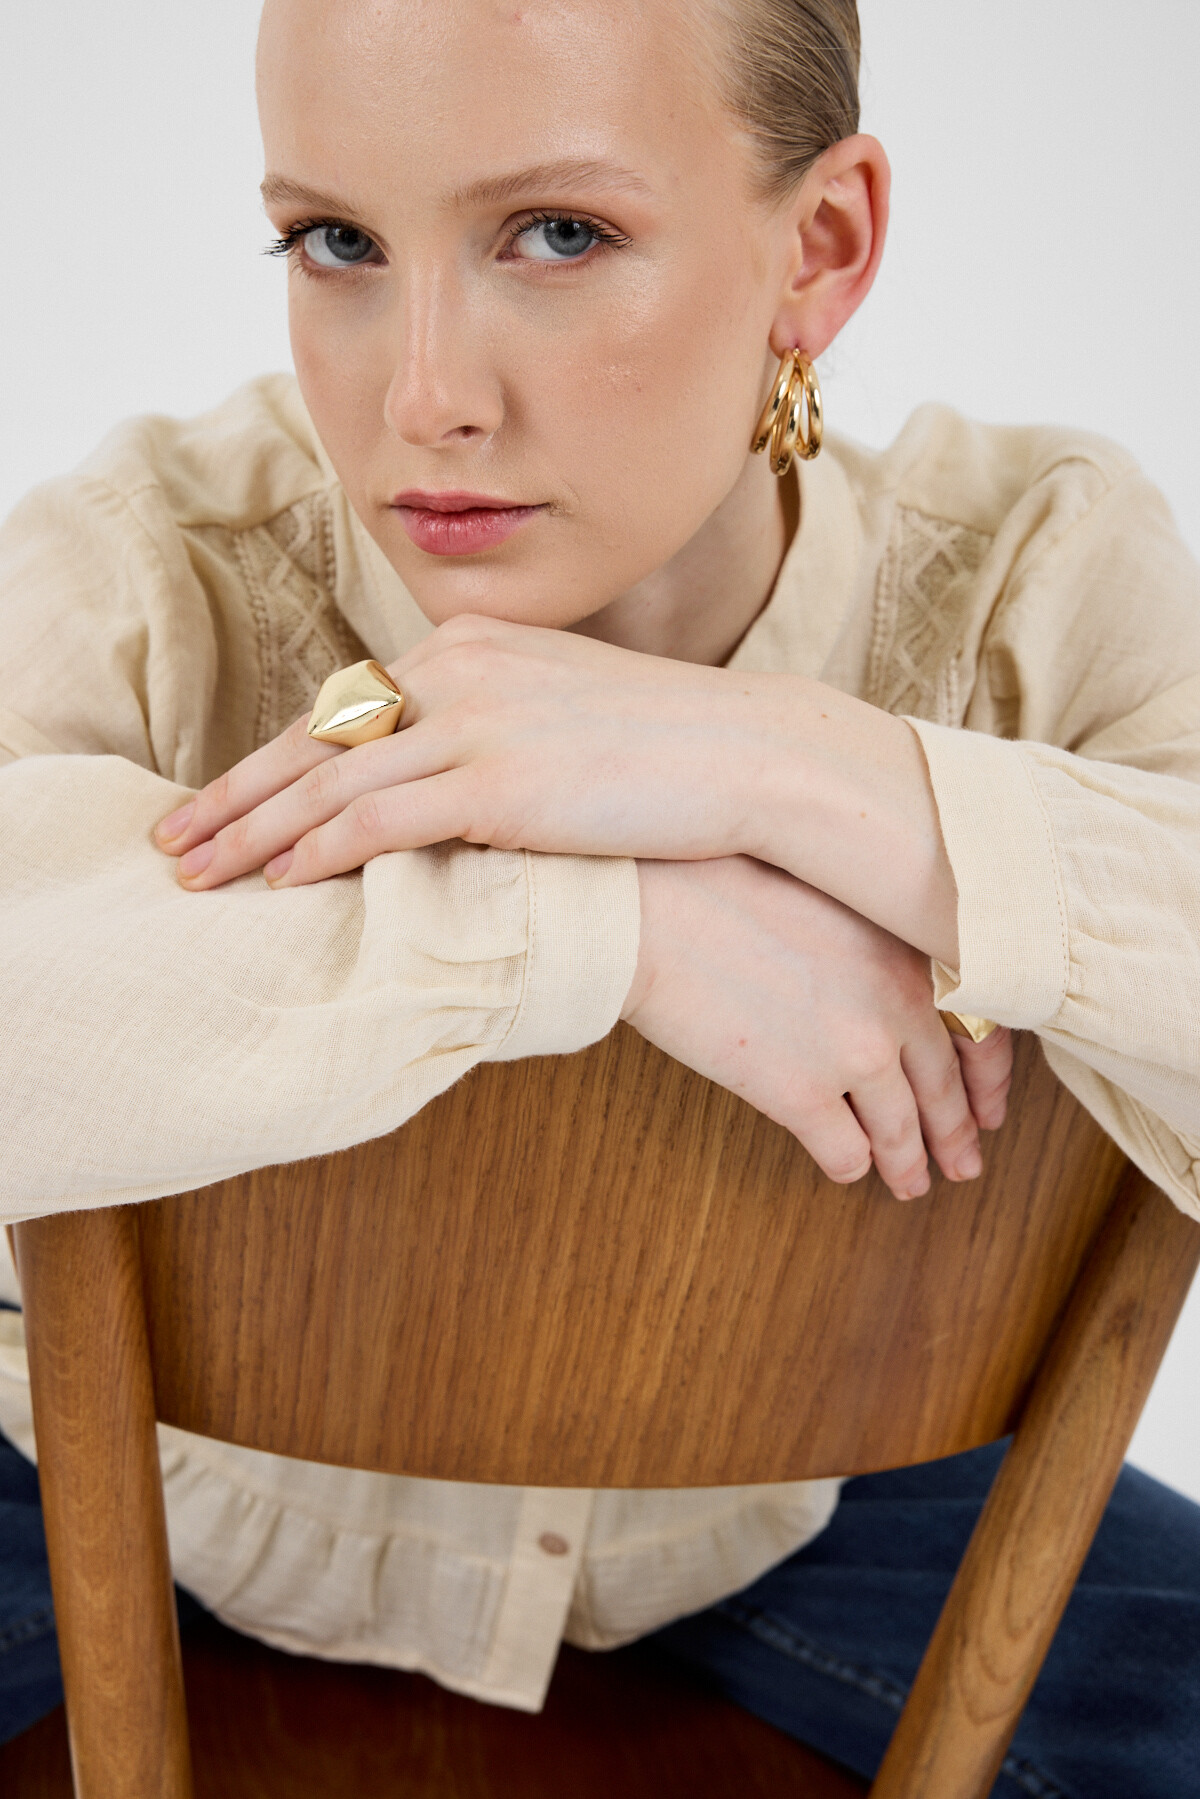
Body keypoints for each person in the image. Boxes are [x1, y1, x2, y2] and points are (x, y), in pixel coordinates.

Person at [1, 0, 1198, 1790]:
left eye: (558, 234)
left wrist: (776, 765)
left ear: (821, 246)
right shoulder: (156, 561)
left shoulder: (1035, 569)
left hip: (780, 1529)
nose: (424, 398)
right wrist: (605, 923)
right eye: (336, 242)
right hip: (117, 1503)